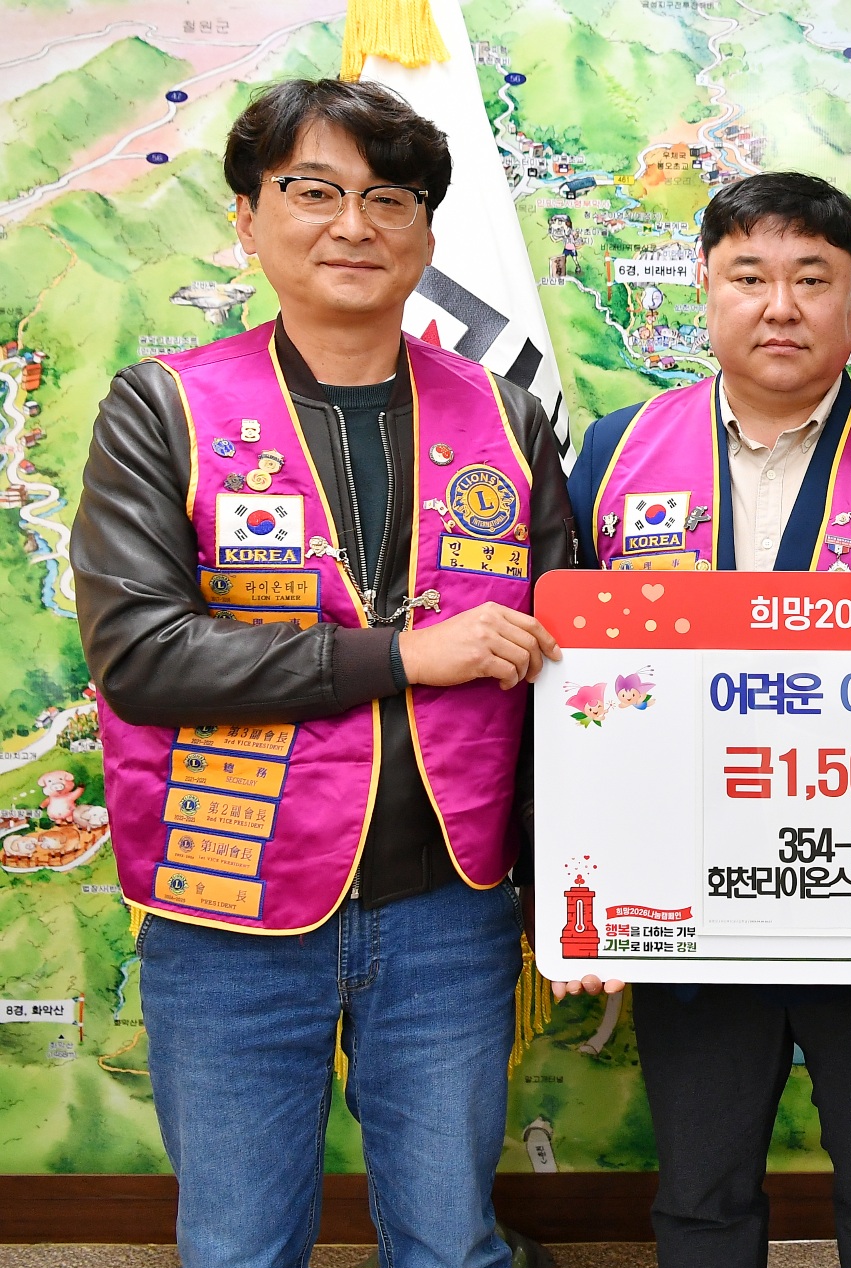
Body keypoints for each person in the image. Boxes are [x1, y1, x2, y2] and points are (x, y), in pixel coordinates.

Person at [73, 79, 572, 1268]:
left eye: (390, 198)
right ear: (248, 218)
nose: (355, 224)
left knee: (451, 1242)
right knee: (239, 1246)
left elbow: (571, 675)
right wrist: (400, 653)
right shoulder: (164, 408)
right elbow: (142, 653)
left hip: (450, 904)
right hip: (228, 899)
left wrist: (577, 883)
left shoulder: (509, 419)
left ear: (427, 235)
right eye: (315, 191)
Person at [562, 170, 851, 1268]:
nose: (781, 306)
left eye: (813, 278)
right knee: (701, 1191)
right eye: (749, 276)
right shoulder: (614, 455)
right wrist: (576, 882)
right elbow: (563, 689)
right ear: (706, 287)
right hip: (681, 885)